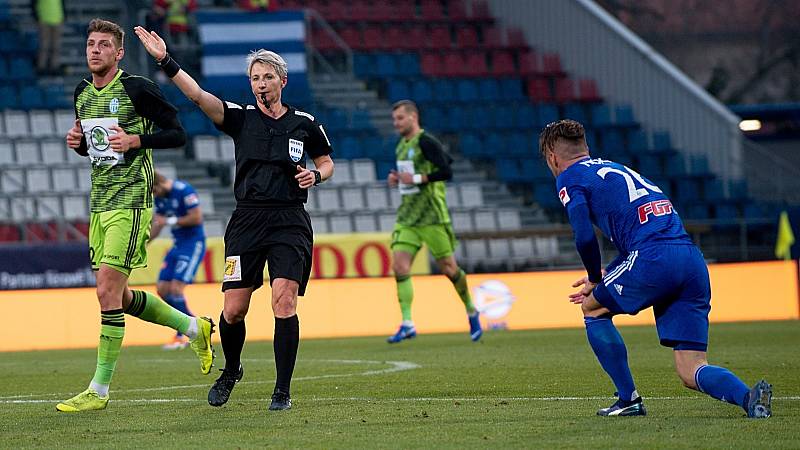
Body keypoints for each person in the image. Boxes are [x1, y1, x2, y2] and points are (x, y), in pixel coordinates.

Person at [135, 26, 334, 411]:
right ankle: (232, 369)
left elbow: (327, 161)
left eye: (268, 76)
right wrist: (165, 60)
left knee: (284, 301)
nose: (261, 83)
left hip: (290, 220)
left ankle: (282, 390)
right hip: (246, 221)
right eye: (255, 77)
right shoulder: (240, 119)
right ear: (250, 83)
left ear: (282, 80)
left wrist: (317, 175)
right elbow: (196, 96)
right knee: (233, 309)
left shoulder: (305, 123)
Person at [539, 119, 772, 418]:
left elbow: (584, 235)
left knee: (592, 308)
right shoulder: (618, 170)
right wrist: (606, 275)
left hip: (654, 258)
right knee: (691, 369)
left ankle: (629, 400)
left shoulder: (569, 177)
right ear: (586, 148)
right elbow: (637, 236)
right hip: (690, 260)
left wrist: (596, 280)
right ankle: (750, 398)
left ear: (552, 158)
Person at [57, 18, 214, 413]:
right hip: (100, 204)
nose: (95, 50)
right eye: (91, 44)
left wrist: (136, 140)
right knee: (121, 297)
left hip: (132, 203)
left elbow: (178, 133)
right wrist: (78, 144)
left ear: (119, 52)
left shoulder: (137, 88)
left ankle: (99, 389)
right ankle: (195, 328)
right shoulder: (81, 92)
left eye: (104, 45)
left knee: (105, 292)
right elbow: (94, 148)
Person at [385, 100, 482, 344]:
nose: (396, 123)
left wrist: (415, 177)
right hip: (408, 218)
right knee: (399, 266)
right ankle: (407, 323)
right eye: (394, 119)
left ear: (413, 117)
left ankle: (471, 309)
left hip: (432, 218)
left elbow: (447, 172)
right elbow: (411, 177)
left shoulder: (426, 142)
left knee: (450, 270)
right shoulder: (401, 145)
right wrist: (398, 179)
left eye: (399, 118)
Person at [150, 170, 207, 350]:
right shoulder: (160, 198)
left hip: (192, 243)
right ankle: (195, 326)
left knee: (176, 288)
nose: (154, 195)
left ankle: (182, 334)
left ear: (158, 184)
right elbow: (159, 223)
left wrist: (170, 221)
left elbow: (197, 217)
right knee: (162, 289)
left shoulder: (184, 190)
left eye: (154, 190)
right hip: (177, 244)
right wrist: (144, 242)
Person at [35, 0, 64, 75]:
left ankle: (54, 66)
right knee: (44, 45)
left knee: (55, 45)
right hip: (44, 19)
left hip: (56, 18)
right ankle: (41, 67)